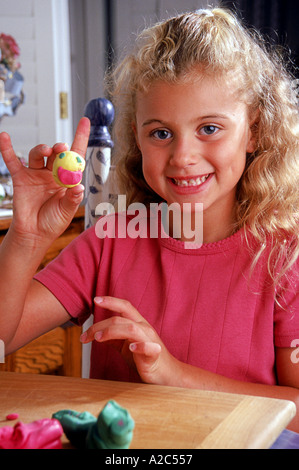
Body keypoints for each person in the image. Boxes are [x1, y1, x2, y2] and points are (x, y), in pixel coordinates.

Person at [0, 7, 298, 432]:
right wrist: (26, 239)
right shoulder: (111, 241)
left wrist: (172, 374)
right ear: (137, 139)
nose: (182, 157)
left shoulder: (285, 258)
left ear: (253, 131)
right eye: (161, 133)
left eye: (209, 128)